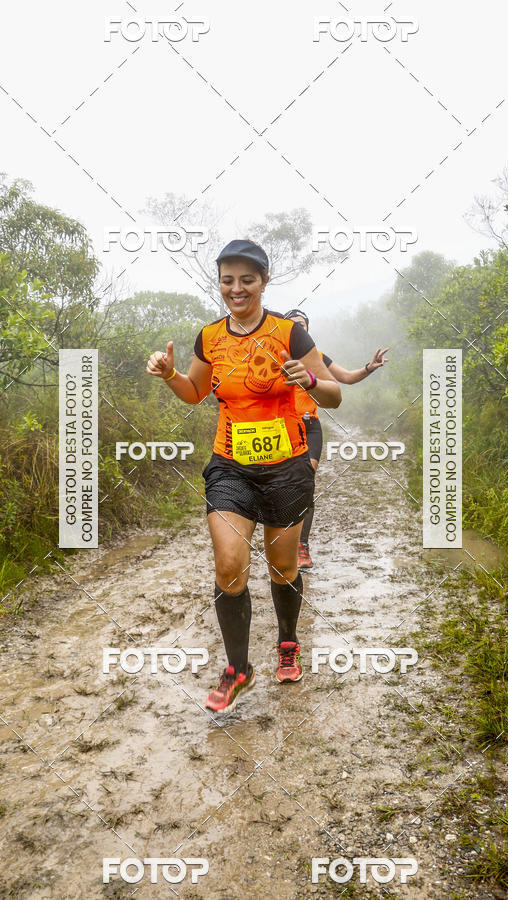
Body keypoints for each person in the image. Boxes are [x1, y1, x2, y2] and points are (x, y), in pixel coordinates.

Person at [146, 240, 341, 713]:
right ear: (220, 283)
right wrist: (171, 374)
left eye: (246, 279)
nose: (237, 288)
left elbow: (334, 395)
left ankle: (288, 641)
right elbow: (194, 393)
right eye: (228, 279)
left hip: (287, 468)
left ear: (263, 281)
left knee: (283, 568)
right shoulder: (209, 337)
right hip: (230, 466)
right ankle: (238, 669)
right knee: (229, 565)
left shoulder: (289, 333)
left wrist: (309, 380)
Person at [284, 309, 389, 570]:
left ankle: (301, 547)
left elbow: (346, 378)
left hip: (310, 428)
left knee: (305, 484)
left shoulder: (317, 358)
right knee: (280, 487)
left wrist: (369, 367)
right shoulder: (276, 359)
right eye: (294, 326)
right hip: (282, 429)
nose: (300, 329)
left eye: (303, 325)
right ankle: (280, 541)